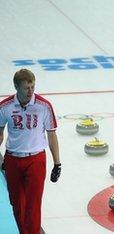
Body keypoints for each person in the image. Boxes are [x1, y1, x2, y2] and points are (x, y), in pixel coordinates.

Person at [0, 68, 61, 234]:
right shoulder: (4, 107)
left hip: (36, 159)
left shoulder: (43, 106)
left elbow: (52, 134)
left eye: (32, 87)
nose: (30, 91)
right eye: (26, 88)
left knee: (33, 206)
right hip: (12, 159)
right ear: (16, 87)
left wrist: (57, 163)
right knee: (16, 204)